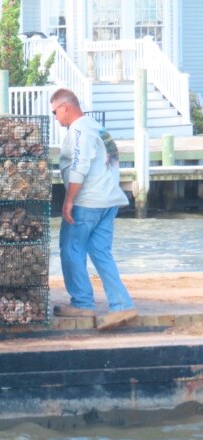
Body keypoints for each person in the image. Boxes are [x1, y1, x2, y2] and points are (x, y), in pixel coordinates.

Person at [50, 88, 138, 331]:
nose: (56, 118)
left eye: (55, 112)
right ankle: (122, 305)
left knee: (71, 249)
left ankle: (82, 302)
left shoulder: (79, 130)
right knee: (100, 252)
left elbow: (79, 166)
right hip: (109, 201)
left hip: (88, 202)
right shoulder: (95, 127)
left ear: (65, 107)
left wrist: (68, 201)